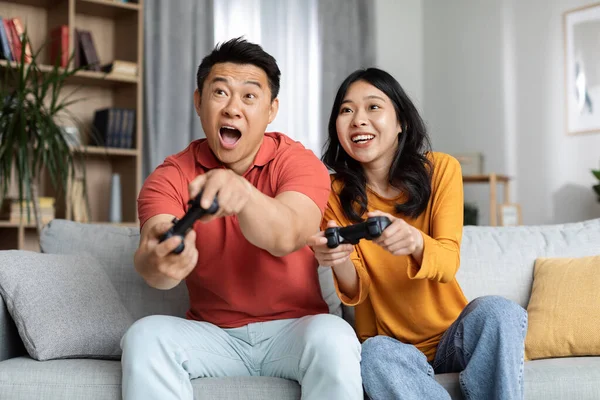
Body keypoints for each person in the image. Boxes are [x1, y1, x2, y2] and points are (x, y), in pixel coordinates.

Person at [120, 37, 362, 400]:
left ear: (271, 109)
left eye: (249, 96)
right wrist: (161, 261)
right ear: (198, 102)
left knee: (336, 335)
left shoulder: (298, 162)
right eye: (220, 93)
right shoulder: (170, 175)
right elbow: (153, 256)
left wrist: (244, 194)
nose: (233, 108)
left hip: (295, 330)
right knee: (144, 335)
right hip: (213, 335)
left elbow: (289, 233)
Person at [307, 67, 528, 400]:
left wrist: (415, 243)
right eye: (346, 110)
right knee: (373, 354)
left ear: (401, 123)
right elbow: (357, 289)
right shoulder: (333, 193)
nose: (358, 120)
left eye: (373, 107)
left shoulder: (441, 170)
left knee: (501, 311)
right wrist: (336, 259)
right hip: (391, 349)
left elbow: (447, 262)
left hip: (454, 337)